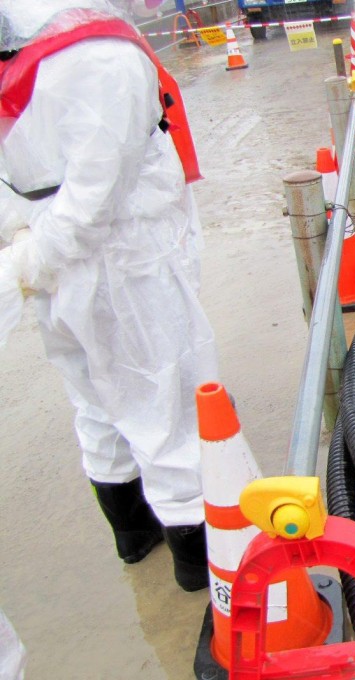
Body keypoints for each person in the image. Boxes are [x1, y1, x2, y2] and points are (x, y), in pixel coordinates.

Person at [0, 0, 217, 591]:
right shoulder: (98, 53)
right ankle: (199, 562)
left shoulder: (29, 59)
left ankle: (132, 533)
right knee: (163, 397)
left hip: (44, 258)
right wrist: (37, 257)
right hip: (124, 258)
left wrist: (24, 259)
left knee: (94, 396)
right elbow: (98, 193)